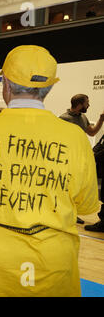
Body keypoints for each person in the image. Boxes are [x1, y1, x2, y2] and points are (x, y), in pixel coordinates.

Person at [0, 45, 100, 296]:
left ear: (6, 84)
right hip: (49, 265)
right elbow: (85, 206)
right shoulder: (75, 137)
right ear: (49, 87)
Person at [59, 94, 104, 225]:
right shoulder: (64, 118)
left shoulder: (83, 117)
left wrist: (101, 119)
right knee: (66, 187)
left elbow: (92, 132)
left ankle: (73, 213)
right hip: (66, 159)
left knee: (75, 187)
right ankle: (64, 213)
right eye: (87, 103)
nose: (88, 105)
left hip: (78, 159)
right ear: (79, 104)